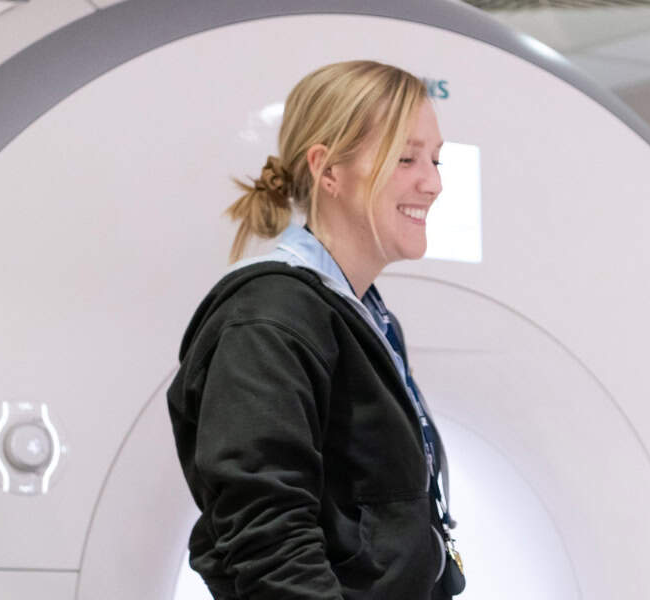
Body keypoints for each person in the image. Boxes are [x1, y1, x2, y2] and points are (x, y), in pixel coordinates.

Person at [167, 60, 462, 599]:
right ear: (328, 170)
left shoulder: (363, 314)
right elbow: (269, 540)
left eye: (436, 159)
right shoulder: (269, 320)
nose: (434, 182)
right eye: (406, 158)